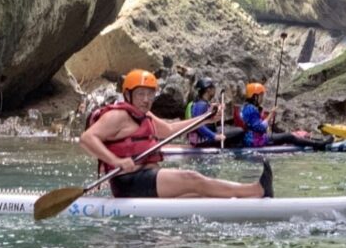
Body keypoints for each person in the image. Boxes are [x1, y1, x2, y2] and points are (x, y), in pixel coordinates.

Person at [80, 69, 272, 199]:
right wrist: (116, 161)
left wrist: (205, 118)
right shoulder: (118, 116)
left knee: (199, 194)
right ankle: (255, 190)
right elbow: (87, 138)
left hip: (149, 176)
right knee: (192, 178)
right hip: (129, 182)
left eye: (150, 94)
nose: (146, 99)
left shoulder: (144, 115)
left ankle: (246, 194)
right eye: (140, 94)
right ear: (128, 95)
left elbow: (171, 130)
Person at [241, 83, 332, 150]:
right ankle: (319, 144)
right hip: (255, 141)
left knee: (285, 136)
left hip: (254, 138)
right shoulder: (251, 109)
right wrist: (271, 115)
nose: (262, 98)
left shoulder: (247, 107)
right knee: (289, 136)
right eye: (261, 95)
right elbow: (260, 128)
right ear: (255, 96)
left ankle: (319, 140)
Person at [184, 78, 244, 147]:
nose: (215, 90)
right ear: (208, 90)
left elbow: (208, 116)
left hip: (204, 135)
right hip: (203, 140)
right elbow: (199, 126)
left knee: (228, 128)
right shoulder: (201, 105)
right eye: (213, 87)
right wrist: (215, 136)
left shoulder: (200, 102)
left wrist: (217, 108)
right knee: (240, 131)